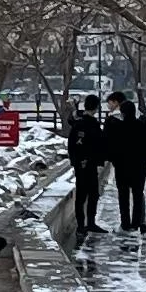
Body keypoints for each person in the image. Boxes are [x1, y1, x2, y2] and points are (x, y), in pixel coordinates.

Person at [107, 90, 146, 232]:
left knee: (123, 195)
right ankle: (137, 222)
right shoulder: (142, 126)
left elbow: (111, 146)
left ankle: (125, 223)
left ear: (122, 112)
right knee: (137, 193)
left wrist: (115, 158)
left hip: (122, 166)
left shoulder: (118, 127)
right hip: (140, 165)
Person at [61, 96, 107, 242]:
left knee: (82, 195)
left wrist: (75, 161)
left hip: (81, 164)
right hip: (90, 164)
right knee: (92, 194)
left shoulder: (77, 123)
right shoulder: (93, 124)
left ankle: (82, 225)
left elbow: (72, 144)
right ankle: (89, 223)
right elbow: (99, 144)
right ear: (96, 108)